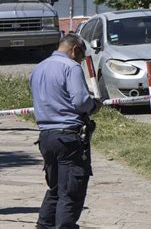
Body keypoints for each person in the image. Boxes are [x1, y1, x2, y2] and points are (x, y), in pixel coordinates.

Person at [29, 33, 103, 229]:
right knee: (71, 192)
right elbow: (80, 101)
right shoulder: (71, 67)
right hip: (69, 137)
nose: (80, 59)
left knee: (55, 189)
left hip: (46, 136)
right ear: (75, 50)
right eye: (80, 55)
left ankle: (44, 225)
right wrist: (94, 105)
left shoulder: (39, 68)